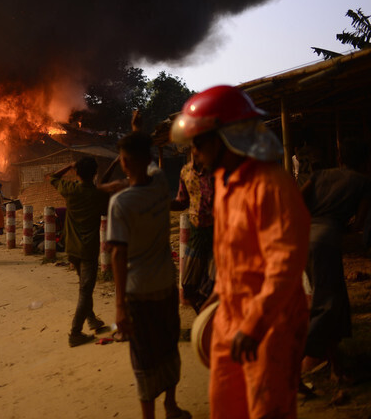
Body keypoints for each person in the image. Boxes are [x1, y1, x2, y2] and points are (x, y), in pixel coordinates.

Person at [171, 85, 310, 419]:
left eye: (200, 141)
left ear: (227, 137)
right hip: (230, 313)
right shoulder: (224, 182)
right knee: (227, 405)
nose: (194, 151)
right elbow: (230, 255)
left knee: (266, 408)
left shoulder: (271, 184)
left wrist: (254, 324)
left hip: (270, 321)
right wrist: (219, 301)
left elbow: (285, 263)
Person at [107, 132, 189, 419]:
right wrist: (135, 130)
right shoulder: (159, 184)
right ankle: (171, 406)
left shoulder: (121, 203)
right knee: (168, 346)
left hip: (138, 293)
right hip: (166, 284)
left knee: (143, 356)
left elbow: (117, 255)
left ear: (125, 162)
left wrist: (119, 307)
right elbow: (151, 165)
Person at [300, 138, 371, 381]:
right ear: (366, 163)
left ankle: (337, 369)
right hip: (327, 240)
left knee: (335, 303)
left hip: (305, 237)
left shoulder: (320, 175)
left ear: (340, 158)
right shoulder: (364, 183)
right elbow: (359, 224)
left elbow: (298, 198)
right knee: (327, 306)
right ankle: (295, 355)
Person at [48, 157, 110, 347]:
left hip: (71, 248)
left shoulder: (71, 189)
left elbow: (52, 177)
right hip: (88, 250)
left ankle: (92, 320)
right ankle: (75, 333)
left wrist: (69, 166)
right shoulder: (98, 195)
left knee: (84, 287)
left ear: (77, 173)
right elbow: (106, 209)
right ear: (94, 174)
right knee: (85, 290)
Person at [170, 153, 216, 313]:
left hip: (217, 233)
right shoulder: (186, 171)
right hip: (196, 233)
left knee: (213, 285)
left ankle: (211, 325)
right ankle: (203, 320)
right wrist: (161, 202)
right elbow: (182, 201)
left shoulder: (217, 170)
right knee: (188, 287)